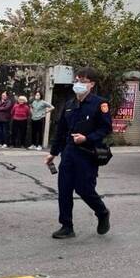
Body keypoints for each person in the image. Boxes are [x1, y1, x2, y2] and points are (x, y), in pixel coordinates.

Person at [45, 67, 112, 239]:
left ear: (91, 84)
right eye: (77, 80)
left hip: (88, 154)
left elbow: (106, 128)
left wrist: (87, 138)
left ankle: (102, 212)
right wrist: (53, 153)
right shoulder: (69, 105)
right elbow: (61, 131)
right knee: (64, 189)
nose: (79, 84)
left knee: (84, 189)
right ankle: (66, 226)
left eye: (83, 81)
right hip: (69, 153)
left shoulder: (99, 104)